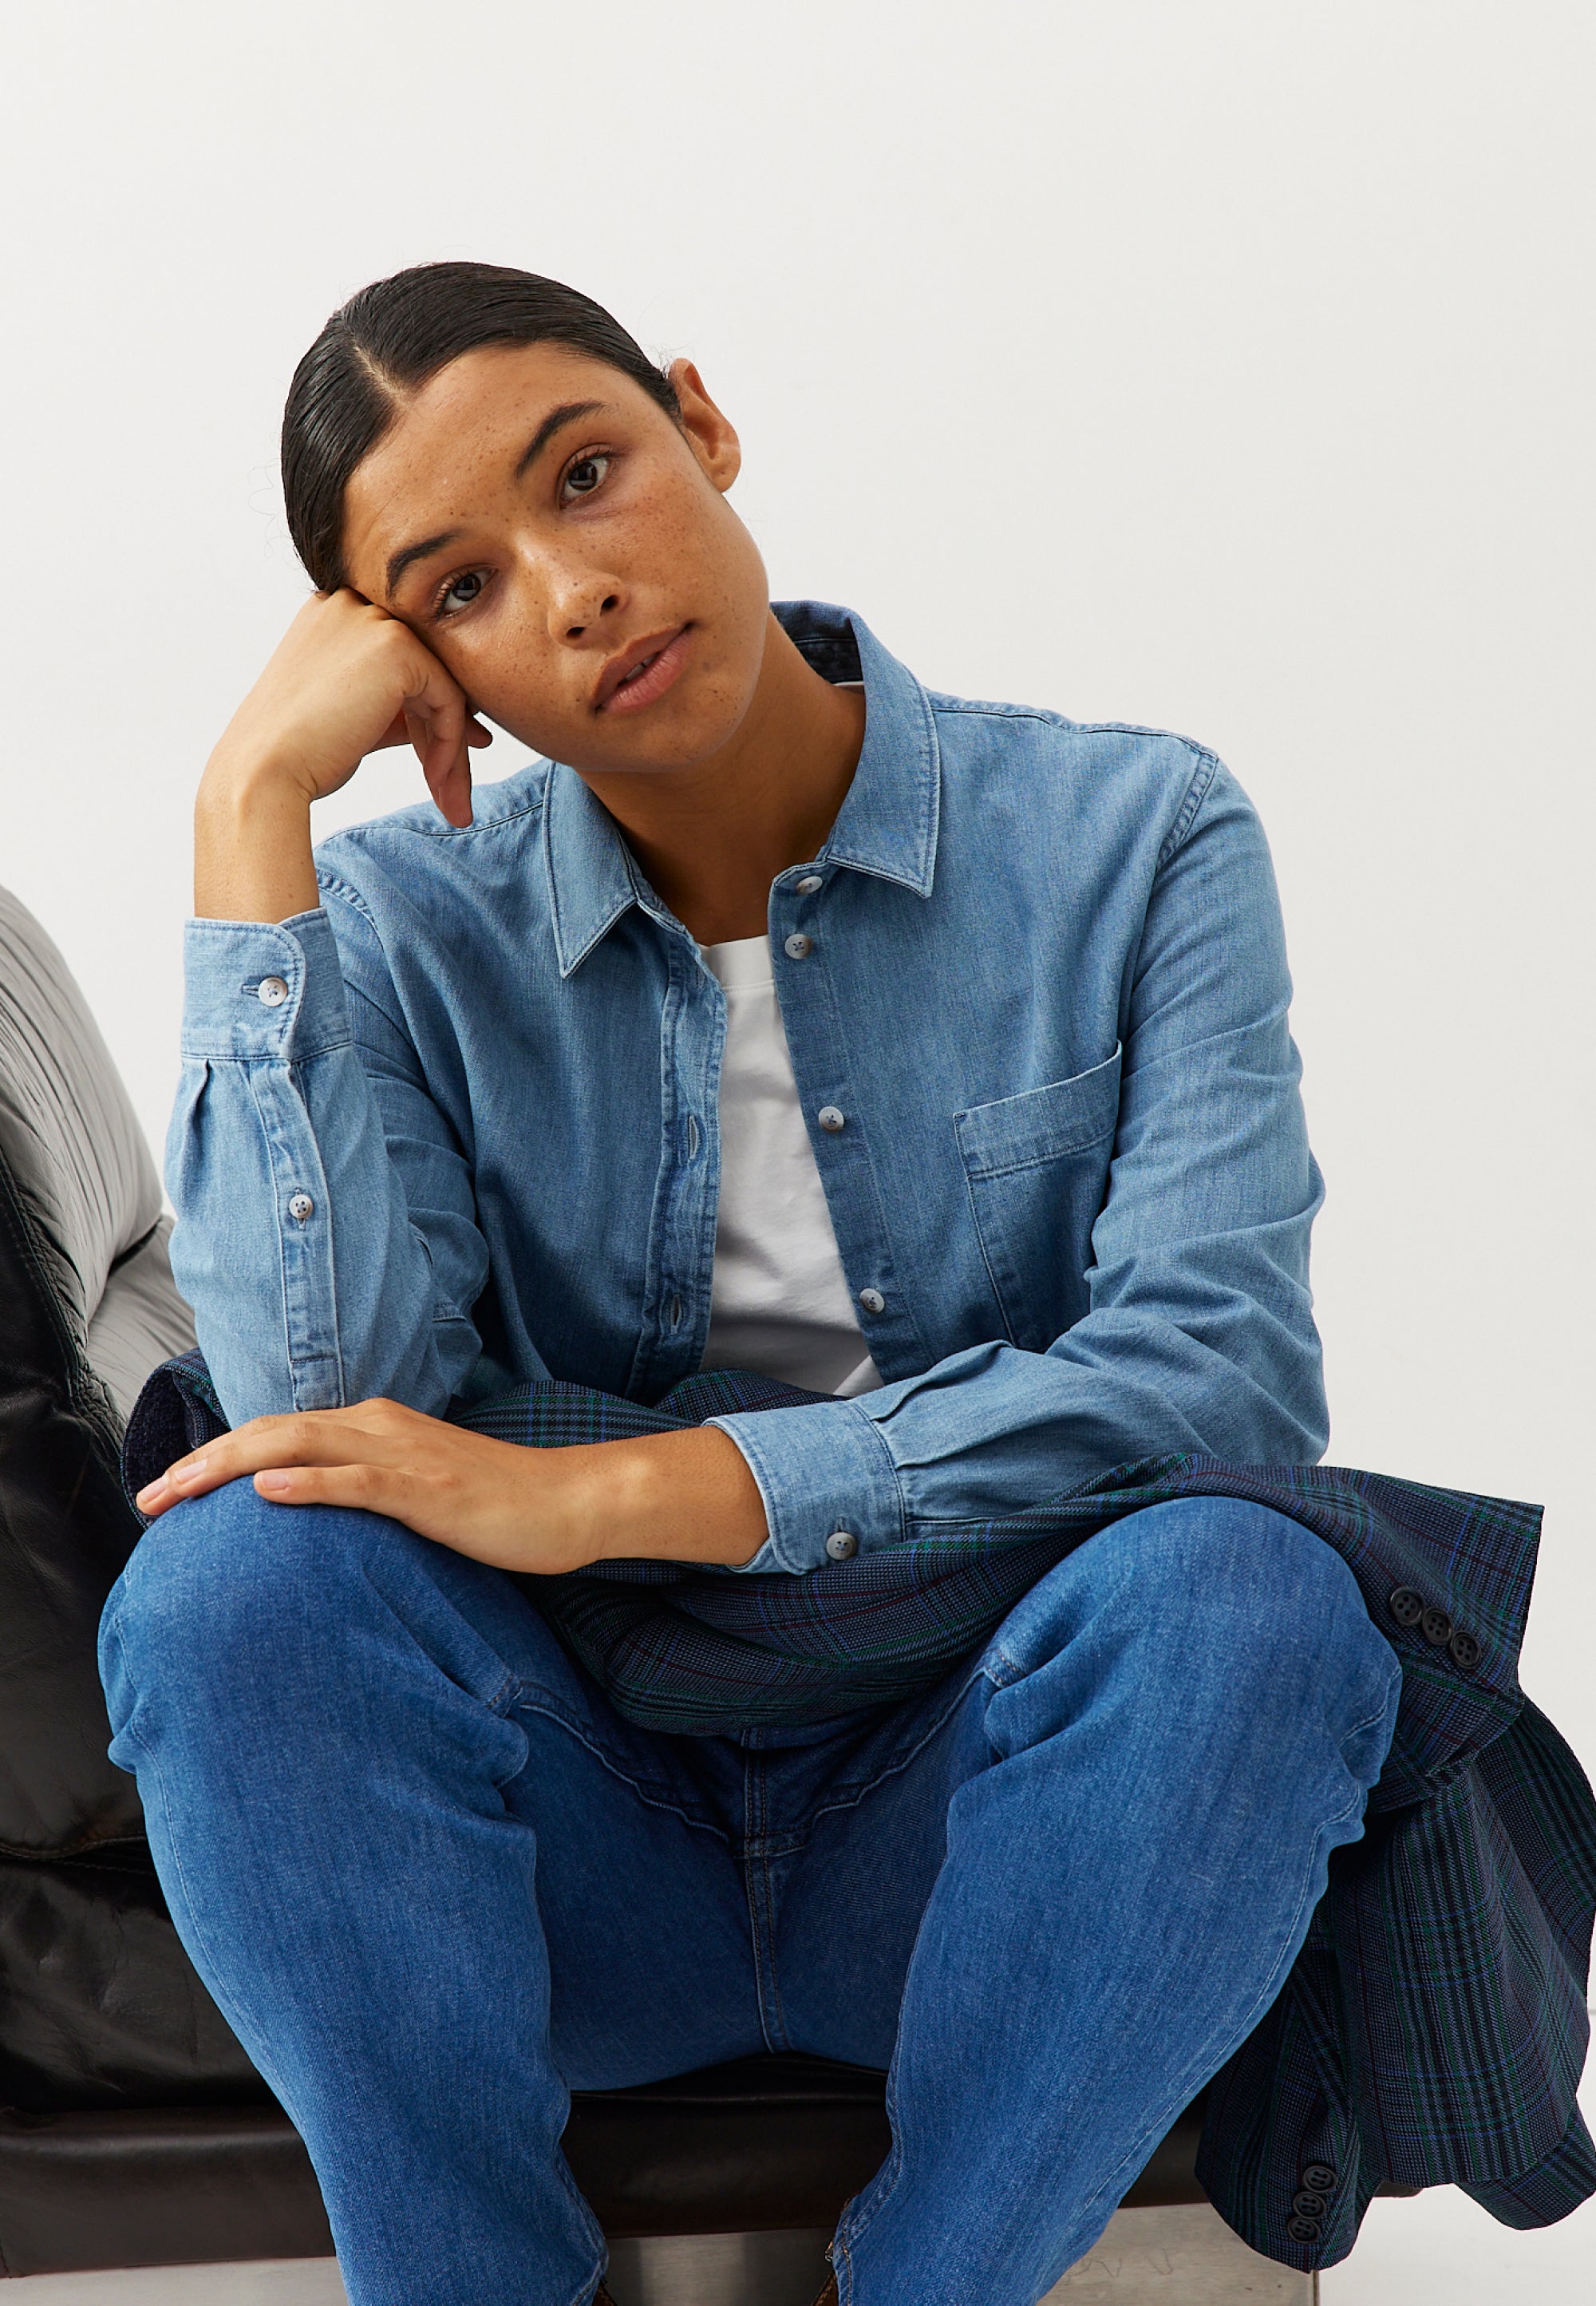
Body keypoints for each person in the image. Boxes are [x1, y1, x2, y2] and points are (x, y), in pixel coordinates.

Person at [98, 260, 1408, 2306]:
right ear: (417, 671)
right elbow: (330, 1418)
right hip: (575, 1842)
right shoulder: (402, 926)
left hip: (982, 1821)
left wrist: (624, 1485)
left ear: (702, 426)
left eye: (589, 473)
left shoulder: (1132, 832)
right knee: (233, 1578)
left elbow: (1218, 1385)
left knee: (1254, 1594)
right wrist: (246, 811)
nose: (574, 589)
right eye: (458, 588)